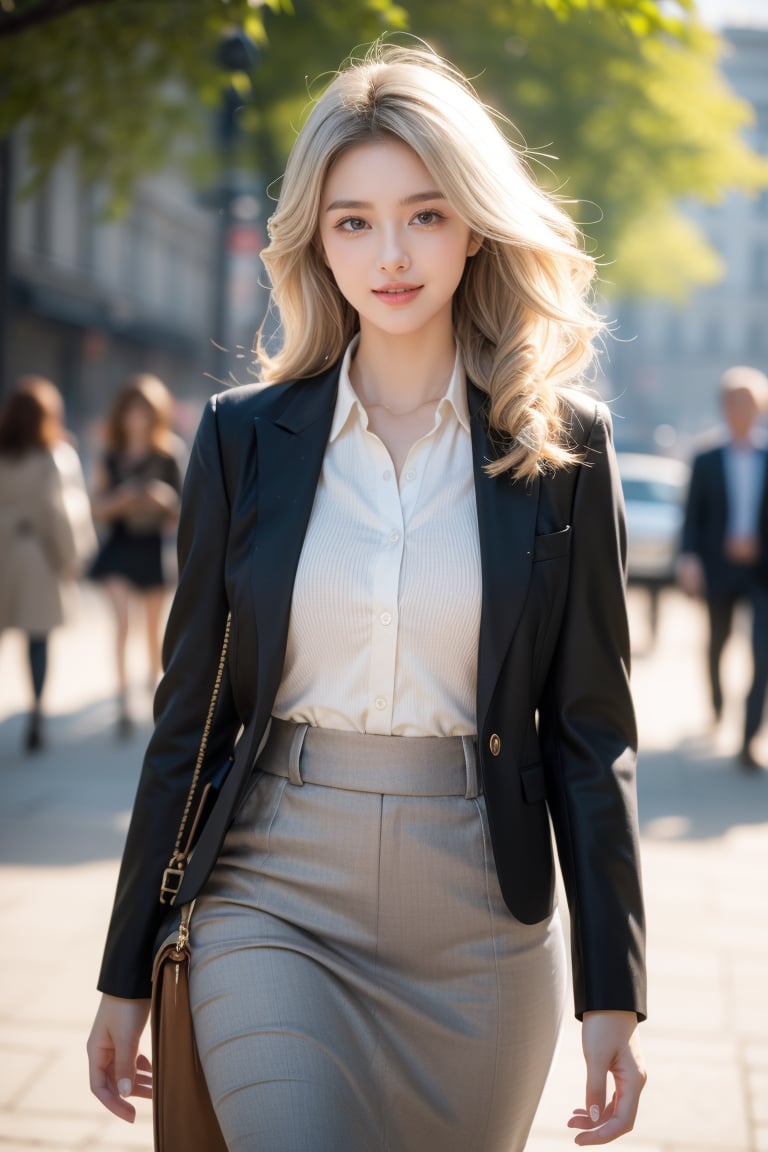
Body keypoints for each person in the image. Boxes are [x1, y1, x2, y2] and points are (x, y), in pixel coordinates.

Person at [88, 42, 647, 1150]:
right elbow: (190, 719)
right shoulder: (240, 439)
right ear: (316, 241)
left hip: (483, 918)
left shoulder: (563, 449)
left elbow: (591, 733)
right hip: (272, 889)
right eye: (353, 221)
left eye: (424, 215)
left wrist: (613, 992)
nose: (389, 254)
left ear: (474, 225)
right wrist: (124, 970)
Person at [678, 365, 768, 771]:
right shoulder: (706, 458)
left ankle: (748, 739)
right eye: (732, 401)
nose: (739, 409)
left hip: (761, 571)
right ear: (723, 407)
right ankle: (717, 705)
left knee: (762, 655)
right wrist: (689, 560)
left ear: (760, 408)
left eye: (746, 401)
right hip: (718, 567)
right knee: (717, 643)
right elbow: (691, 517)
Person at [89, 373, 184, 738]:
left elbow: (186, 508)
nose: (137, 418)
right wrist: (123, 498)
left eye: (144, 411)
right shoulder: (110, 455)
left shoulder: (168, 454)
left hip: (153, 548)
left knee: (151, 630)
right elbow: (96, 507)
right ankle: (122, 699)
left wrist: (163, 499)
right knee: (122, 623)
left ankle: (154, 693)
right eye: (131, 411)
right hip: (119, 544)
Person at [0, 377, 83, 751]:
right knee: (37, 640)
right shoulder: (53, 455)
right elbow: (61, 513)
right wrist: (70, 559)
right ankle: (35, 715)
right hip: (36, 555)